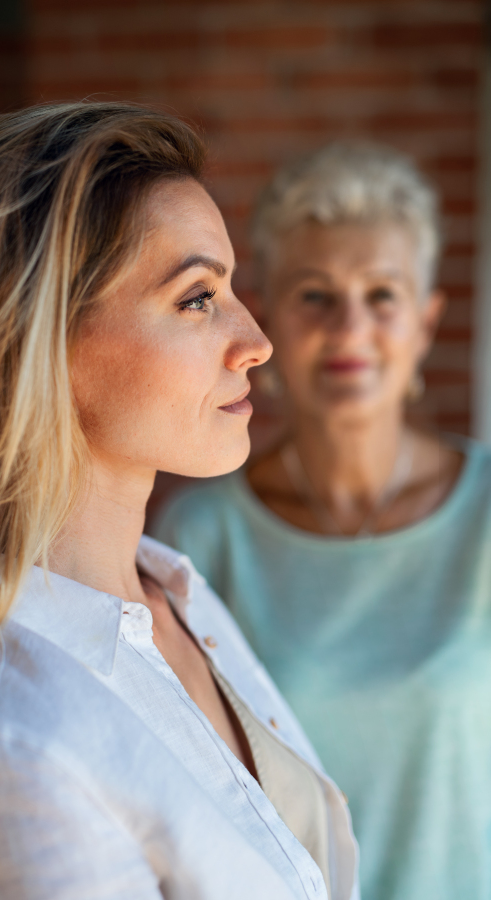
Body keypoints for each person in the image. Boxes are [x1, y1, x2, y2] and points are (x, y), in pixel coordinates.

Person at [0, 103, 358, 900]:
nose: (257, 339)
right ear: (35, 342)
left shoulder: (170, 590)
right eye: (196, 298)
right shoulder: (9, 738)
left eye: (229, 286)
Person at [154, 142, 491, 900]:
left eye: (382, 295)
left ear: (427, 323)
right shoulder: (196, 540)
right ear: (266, 316)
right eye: (315, 295)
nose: (349, 327)